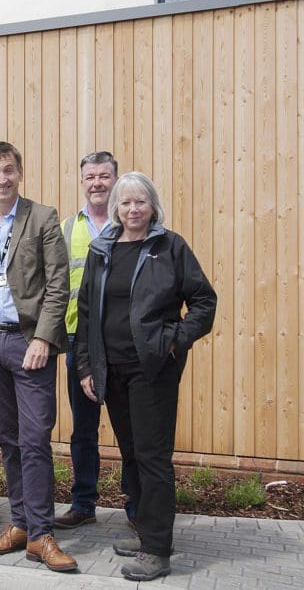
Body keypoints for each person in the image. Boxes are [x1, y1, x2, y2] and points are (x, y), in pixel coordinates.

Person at [74, 172, 216, 581]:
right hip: (111, 369)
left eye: (141, 202)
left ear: (153, 206)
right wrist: (86, 366)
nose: (133, 210)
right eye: (125, 203)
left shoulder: (169, 246)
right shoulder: (103, 251)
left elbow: (204, 301)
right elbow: (85, 315)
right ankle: (145, 529)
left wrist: (176, 340)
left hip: (152, 370)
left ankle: (157, 549)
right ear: (115, 209)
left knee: (153, 458)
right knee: (132, 453)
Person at [0, 141, 77, 573]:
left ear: (19, 172)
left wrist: (44, 337)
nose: (2, 178)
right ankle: (21, 524)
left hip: (28, 344)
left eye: (8, 170)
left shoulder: (42, 217)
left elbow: (58, 284)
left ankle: (42, 535)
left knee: (36, 438)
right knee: (8, 439)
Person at [54, 151, 119, 530]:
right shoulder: (67, 228)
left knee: (131, 427)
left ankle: (136, 504)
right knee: (83, 427)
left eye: (104, 176)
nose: (96, 183)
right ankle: (83, 503)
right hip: (79, 340)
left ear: (115, 178)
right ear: (82, 182)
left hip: (122, 339)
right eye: (90, 177)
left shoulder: (130, 219)